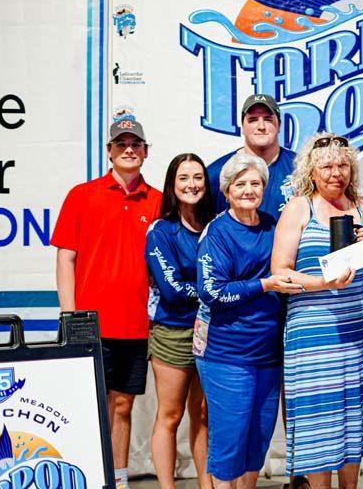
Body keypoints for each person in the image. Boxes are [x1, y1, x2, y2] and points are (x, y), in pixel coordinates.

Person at [271, 133, 363, 489]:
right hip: (311, 335)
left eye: (342, 165)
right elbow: (280, 272)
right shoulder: (298, 208)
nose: (335, 173)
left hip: (357, 333)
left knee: (352, 417)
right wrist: (326, 282)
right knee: (318, 420)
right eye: (326, 166)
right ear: (311, 170)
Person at [51, 120, 162, 489]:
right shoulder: (82, 195)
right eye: (121, 143)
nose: (129, 149)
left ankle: (117, 479)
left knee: (123, 407)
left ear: (145, 151)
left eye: (136, 143)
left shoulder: (159, 201)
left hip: (135, 324)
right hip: (89, 323)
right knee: (86, 407)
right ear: (110, 151)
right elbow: (66, 259)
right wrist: (69, 316)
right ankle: (83, 476)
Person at [194, 153, 304, 489]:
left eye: (255, 183)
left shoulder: (273, 226)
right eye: (240, 184)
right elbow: (211, 292)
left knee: (258, 439)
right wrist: (264, 284)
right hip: (227, 354)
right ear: (226, 192)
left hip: (268, 353)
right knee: (230, 439)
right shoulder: (217, 232)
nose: (248, 190)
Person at [145, 154, 215, 489]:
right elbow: (171, 290)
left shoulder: (215, 226)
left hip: (212, 332)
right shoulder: (161, 230)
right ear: (173, 185)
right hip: (173, 332)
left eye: (198, 177)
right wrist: (216, 290)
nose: (192, 184)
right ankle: (166, 486)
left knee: (203, 416)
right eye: (184, 178)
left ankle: (207, 484)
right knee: (170, 415)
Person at [207, 93, 296, 219]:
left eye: (268, 119)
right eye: (253, 120)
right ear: (242, 127)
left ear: (279, 125)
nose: (261, 127)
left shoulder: (300, 167)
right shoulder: (218, 172)